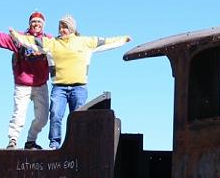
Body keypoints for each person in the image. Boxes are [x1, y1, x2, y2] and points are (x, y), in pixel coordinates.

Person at [9, 14, 130, 149]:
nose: (61, 30)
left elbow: (106, 42)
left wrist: (123, 39)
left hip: (79, 87)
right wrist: (16, 36)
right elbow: (31, 41)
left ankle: (78, 144)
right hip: (59, 87)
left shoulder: (84, 42)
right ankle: (54, 143)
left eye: (65, 27)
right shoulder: (52, 43)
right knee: (55, 114)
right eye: (60, 27)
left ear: (72, 29)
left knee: (77, 117)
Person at [0, 11, 52, 149]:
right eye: (33, 21)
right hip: (23, 84)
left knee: (43, 118)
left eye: (39, 22)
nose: (36, 24)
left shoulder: (49, 41)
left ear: (43, 25)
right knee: (19, 114)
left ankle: (31, 140)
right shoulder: (20, 39)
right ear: (30, 24)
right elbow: (1, 38)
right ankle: (13, 140)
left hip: (40, 84)